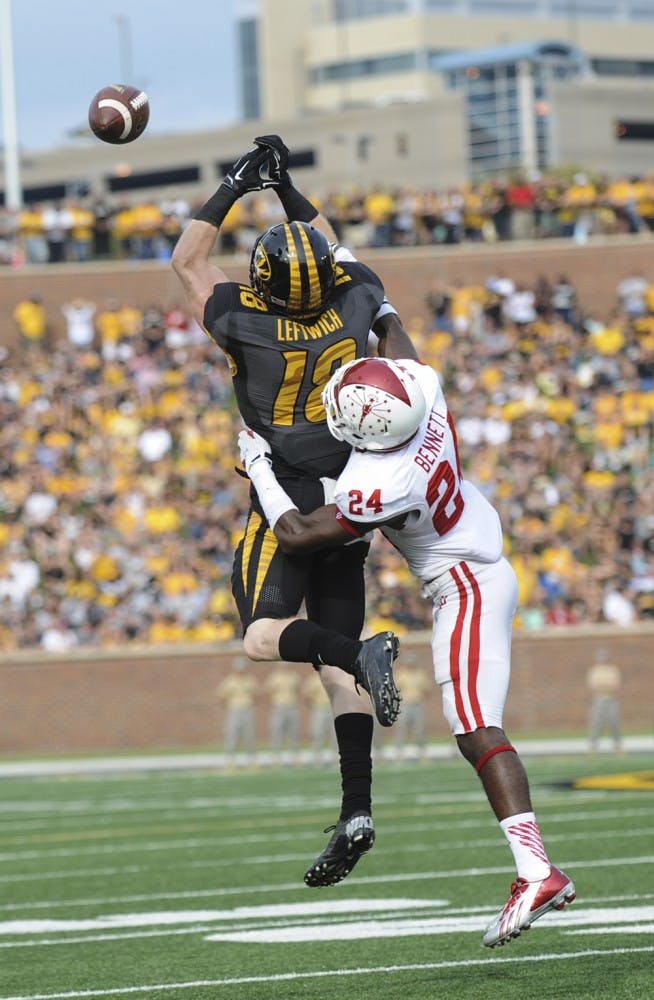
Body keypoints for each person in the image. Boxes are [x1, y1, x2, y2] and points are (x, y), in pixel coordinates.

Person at [238, 354, 576, 948]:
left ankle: (536, 872)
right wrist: (382, 307)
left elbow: (294, 533)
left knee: (476, 729)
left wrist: (259, 466)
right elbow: (397, 337)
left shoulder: (380, 483)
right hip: (480, 566)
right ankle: (536, 870)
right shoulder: (424, 393)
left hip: (463, 584)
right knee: (475, 727)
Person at [172, 134, 417, 887]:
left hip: (285, 490)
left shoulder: (244, 321)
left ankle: (360, 653)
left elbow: (187, 260)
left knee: (262, 639)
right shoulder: (355, 299)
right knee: (330, 659)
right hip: (350, 492)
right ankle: (357, 810)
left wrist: (235, 186)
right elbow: (335, 253)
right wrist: (286, 190)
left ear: (266, 282)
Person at [587, 648, 622, 754]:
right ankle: (593, 748)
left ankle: (617, 747)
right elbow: (594, 685)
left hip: (611, 700)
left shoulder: (613, 670)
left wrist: (604, 686)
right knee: (595, 724)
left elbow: (615, 684)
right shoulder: (594, 671)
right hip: (598, 700)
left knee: (614, 723)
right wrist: (605, 686)